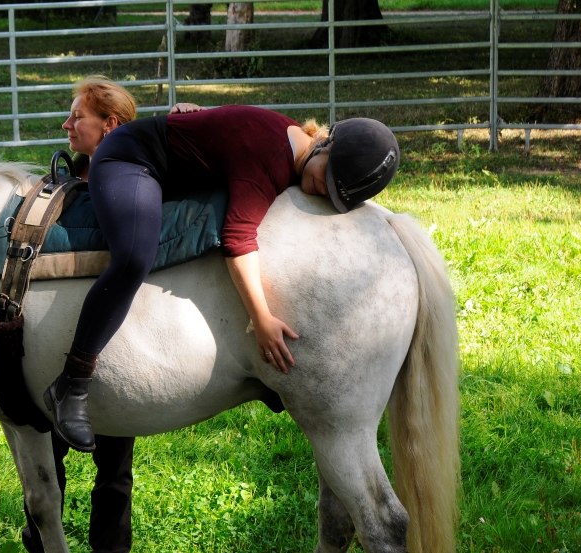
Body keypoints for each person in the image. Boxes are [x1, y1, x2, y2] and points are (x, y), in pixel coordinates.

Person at [42, 104, 401, 454]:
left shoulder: (294, 141)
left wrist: (197, 117)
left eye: (334, 194)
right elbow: (237, 238)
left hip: (169, 165)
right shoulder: (269, 159)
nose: (323, 190)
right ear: (325, 145)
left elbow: (227, 128)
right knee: (134, 255)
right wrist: (261, 318)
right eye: (326, 178)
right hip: (130, 160)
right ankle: (71, 383)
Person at [23, 75, 138, 553]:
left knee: (115, 469)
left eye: (77, 117)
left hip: (115, 348)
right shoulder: (61, 186)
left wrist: (189, 114)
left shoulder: (138, 183)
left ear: (109, 125)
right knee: (46, 459)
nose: (66, 125)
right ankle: (42, 541)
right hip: (53, 345)